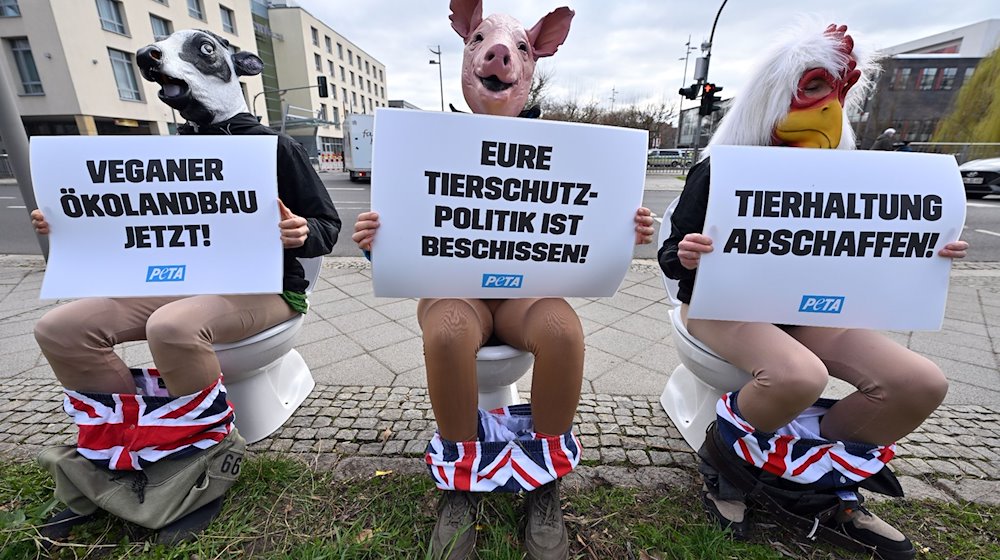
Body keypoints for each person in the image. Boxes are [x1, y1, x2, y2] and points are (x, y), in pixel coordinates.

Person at [658, 23, 968, 560]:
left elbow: (864, 252)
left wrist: (926, 250)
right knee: (797, 374)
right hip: (718, 303)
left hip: (803, 307)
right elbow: (669, 255)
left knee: (919, 382)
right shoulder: (721, 170)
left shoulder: (847, 178)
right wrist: (686, 254)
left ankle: (811, 477)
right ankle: (725, 463)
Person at [354, 2, 653, 558]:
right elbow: (410, 238)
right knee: (446, 332)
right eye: (485, 45)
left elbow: (583, 222)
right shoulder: (424, 143)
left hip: (526, 289)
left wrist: (622, 229)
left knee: (564, 332)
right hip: (454, 288)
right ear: (466, 52)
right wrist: (380, 240)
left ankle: (544, 481)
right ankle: (461, 482)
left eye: (519, 49)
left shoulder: (566, 153)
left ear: (533, 64)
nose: (500, 59)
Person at [30, 30, 340, 544]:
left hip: (265, 286)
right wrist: (65, 221)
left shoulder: (274, 146)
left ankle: (196, 471)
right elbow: (131, 220)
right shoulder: (172, 151)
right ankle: (120, 454)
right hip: (184, 279)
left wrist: (302, 231)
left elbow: (327, 227)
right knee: (62, 327)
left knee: (172, 327)